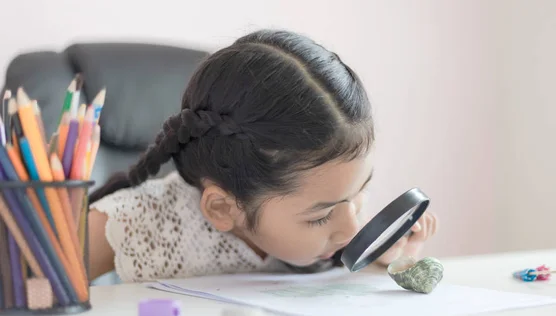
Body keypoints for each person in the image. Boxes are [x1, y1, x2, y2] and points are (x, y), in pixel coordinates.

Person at [87, 29, 438, 283]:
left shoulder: (327, 204)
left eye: (359, 195)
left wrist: (388, 263)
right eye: (321, 216)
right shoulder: (141, 222)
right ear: (224, 208)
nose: (351, 227)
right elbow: (43, 286)